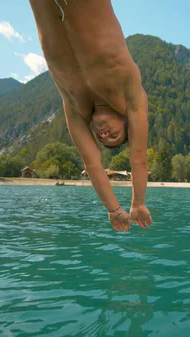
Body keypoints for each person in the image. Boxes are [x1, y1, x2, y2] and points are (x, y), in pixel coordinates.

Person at [29, 0, 151, 232]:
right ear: (125, 119)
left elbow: (93, 163)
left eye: (102, 139)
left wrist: (114, 209)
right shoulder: (129, 94)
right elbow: (138, 158)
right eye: (114, 136)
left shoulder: (74, 107)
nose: (104, 136)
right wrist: (138, 203)